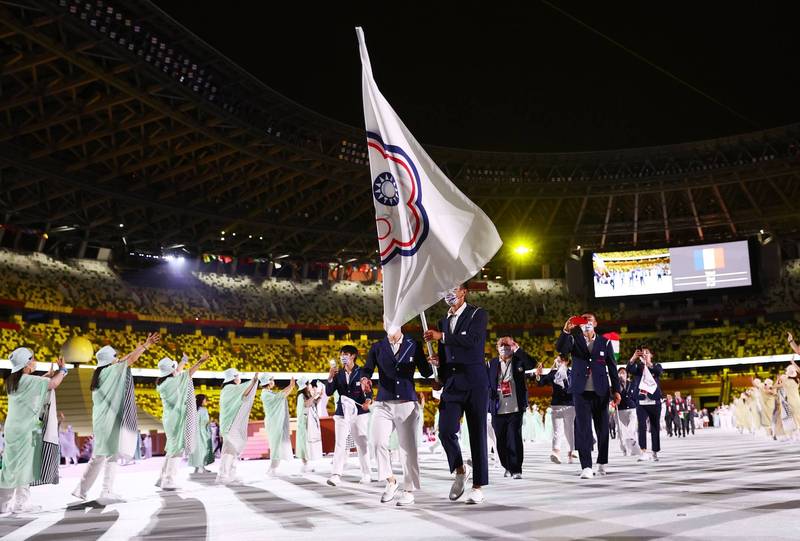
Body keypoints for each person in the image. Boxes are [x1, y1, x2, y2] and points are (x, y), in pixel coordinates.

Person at [424, 282, 490, 504]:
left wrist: (441, 336)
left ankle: (478, 486)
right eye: (446, 291)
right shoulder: (443, 321)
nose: (450, 294)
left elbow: (472, 342)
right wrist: (439, 372)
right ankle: (460, 470)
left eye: (454, 290)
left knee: (477, 435)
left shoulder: (477, 314)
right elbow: (446, 355)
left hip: (475, 383)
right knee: (445, 431)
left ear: (464, 292)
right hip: (452, 384)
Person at [73, 334, 159, 501]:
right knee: (110, 455)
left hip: (101, 421)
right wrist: (145, 346)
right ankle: (106, 490)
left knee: (99, 456)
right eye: (115, 357)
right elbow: (130, 360)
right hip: (108, 422)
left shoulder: (101, 373)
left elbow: (124, 360)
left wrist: (140, 348)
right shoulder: (110, 372)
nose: (118, 358)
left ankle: (81, 489)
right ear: (109, 360)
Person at [360, 330, 432, 506]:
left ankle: (409, 490)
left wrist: (433, 362)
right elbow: (368, 368)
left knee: (407, 449)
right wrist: (364, 378)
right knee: (376, 442)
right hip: (383, 402)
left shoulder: (413, 344)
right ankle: (390, 480)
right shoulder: (378, 346)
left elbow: (425, 372)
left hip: (407, 403)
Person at [0, 348, 68, 515]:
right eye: (32, 359)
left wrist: (45, 375)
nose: (34, 361)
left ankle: (2, 504)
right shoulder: (28, 380)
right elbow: (53, 384)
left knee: (10, 467)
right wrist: (63, 371)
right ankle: (20, 504)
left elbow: (32, 384)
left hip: (11, 429)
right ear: (26, 364)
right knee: (25, 466)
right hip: (26, 430)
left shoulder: (11, 381)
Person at [556, 313, 621, 479]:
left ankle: (602, 461)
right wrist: (566, 331)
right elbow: (561, 349)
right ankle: (586, 466)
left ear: (596, 323)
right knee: (583, 429)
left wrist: (617, 390)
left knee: (603, 429)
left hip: (601, 391)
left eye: (590, 321)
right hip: (580, 391)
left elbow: (612, 367)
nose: (587, 323)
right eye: (584, 321)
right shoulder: (574, 339)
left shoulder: (605, 342)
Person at [155, 352, 207, 490]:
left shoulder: (165, 382)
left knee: (172, 449)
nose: (177, 369)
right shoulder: (173, 382)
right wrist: (200, 361)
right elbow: (188, 373)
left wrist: (184, 359)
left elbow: (178, 371)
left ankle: (162, 478)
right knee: (176, 450)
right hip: (176, 419)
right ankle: (169, 480)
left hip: (169, 419)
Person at [487, 336, 535, 479]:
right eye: (501, 346)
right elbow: (485, 383)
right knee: (500, 440)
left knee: (514, 438)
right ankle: (507, 466)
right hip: (498, 407)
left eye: (507, 346)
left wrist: (518, 349)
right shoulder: (491, 364)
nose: (504, 348)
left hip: (515, 407)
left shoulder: (518, 361)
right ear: (497, 348)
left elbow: (532, 363)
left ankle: (516, 469)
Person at [325, 345, 373, 486]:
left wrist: (368, 401)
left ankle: (366, 473)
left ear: (353, 356)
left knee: (361, 443)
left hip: (359, 412)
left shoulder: (362, 372)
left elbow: (369, 389)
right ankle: (336, 474)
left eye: (345, 354)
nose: (342, 357)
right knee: (340, 443)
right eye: (341, 354)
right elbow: (328, 392)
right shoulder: (338, 374)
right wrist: (330, 377)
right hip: (342, 412)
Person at [217, 368, 260, 485]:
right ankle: (223, 474)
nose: (239, 378)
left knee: (233, 449)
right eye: (238, 376)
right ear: (233, 378)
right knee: (230, 449)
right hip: (230, 424)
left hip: (231, 423)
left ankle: (230, 474)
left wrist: (253, 382)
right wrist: (253, 381)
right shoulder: (229, 389)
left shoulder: (229, 389)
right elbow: (244, 392)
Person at [536, 355, 575, 464]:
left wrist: (564, 380)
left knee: (569, 430)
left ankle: (570, 452)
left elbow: (571, 389)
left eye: (560, 360)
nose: (557, 361)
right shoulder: (553, 374)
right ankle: (556, 452)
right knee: (557, 431)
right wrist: (538, 375)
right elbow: (541, 383)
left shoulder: (571, 373)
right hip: (556, 405)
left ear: (566, 361)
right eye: (556, 360)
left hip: (569, 405)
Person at [627, 347, 663, 461]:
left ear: (651, 355)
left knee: (655, 427)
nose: (645, 354)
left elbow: (658, 372)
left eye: (647, 353)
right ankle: (643, 451)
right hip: (642, 401)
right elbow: (629, 369)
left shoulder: (656, 365)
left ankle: (655, 451)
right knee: (641, 426)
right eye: (643, 353)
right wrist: (634, 358)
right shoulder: (638, 367)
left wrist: (648, 363)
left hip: (654, 401)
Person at [259, 374, 296, 478]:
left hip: (276, 422)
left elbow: (281, 396)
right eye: (271, 379)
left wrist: (291, 387)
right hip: (274, 422)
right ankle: (273, 469)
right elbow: (280, 396)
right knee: (276, 446)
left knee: (278, 445)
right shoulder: (266, 394)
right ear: (267, 382)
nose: (273, 381)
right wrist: (290, 386)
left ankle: (272, 468)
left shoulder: (268, 393)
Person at [296, 377, 323, 472]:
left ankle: (306, 464)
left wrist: (319, 396)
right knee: (303, 443)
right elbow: (307, 404)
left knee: (306, 443)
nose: (310, 385)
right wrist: (314, 395)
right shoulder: (301, 396)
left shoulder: (306, 395)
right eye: (308, 384)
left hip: (307, 422)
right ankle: (305, 464)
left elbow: (314, 404)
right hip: (304, 423)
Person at [615, 366, 639, 457]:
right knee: (621, 431)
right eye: (620, 373)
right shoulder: (615, 385)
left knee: (632, 429)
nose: (622, 375)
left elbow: (636, 395)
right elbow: (611, 395)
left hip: (632, 408)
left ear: (627, 375)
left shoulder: (632, 383)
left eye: (623, 373)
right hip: (620, 409)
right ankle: (624, 448)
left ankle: (633, 448)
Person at [189, 394, 214, 474]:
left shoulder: (194, 410)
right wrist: (210, 422)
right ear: (201, 400)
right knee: (203, 449)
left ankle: (198, 467)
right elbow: (204, 422)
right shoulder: (203, 410)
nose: (206, 401)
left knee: (197, 450)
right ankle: (201, 467)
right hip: (202, 432)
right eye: (205, 399)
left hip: (194, 433)